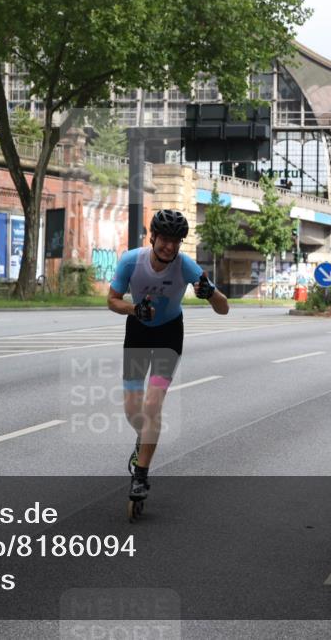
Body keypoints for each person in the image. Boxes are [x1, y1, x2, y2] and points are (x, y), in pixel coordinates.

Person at [107, 209, 229, 503]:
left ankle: (141, 475)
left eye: (176, 241)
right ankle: (144, 438)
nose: (170, 247)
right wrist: (134, 309)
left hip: (169, 335)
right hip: (138, 331)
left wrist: (210, 293)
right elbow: (111, 300)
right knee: (133, 409)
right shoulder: (131, 261)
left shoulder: (186, 266)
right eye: (165, 239)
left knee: (152, 404)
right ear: (153, 238)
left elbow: (224, 308)